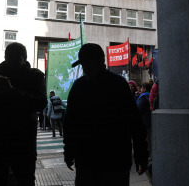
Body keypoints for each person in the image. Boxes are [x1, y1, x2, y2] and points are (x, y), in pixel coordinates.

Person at [63, 43, 149, 186]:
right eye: (83, 63)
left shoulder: (80, 86)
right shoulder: (118, 84)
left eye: (87, 63)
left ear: (99, 61)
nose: (84, 68)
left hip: (103, 162)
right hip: (108, 160)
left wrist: (141, 155)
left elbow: (134, 122)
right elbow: (70, 123)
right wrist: (69, 151)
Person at [0, 42, 47, 186]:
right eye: (10, 58)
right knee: (5, 179)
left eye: (16, 59)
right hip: (6, 140)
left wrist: (11, 91)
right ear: (5, 57)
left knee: (20, 179)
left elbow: (41, 102)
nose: (12, 62)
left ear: (24, 58)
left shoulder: (35, 76)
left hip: (19, 141)